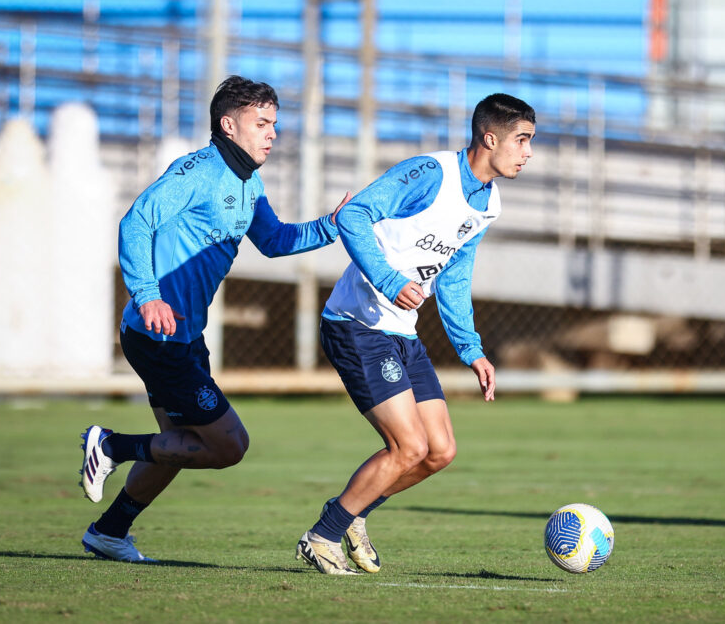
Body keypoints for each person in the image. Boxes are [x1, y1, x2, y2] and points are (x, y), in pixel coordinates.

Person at [78, 75, 351, 563]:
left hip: (183, 336)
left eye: (275, 123)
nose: (272, 133)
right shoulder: (198, 171)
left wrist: (333, 225)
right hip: (157, 334)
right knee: (229, 445)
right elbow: (136, 221)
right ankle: (112, 446)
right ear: (228, 125)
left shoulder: (249, 180)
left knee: (180, 444)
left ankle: (110, 531)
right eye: (261, 122)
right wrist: (147, 295)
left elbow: (274, 241)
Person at [294, 93, 535, 575]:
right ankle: (322, 535)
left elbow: (455, 273)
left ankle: (354, 513)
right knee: (409, 448)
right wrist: (388, 281)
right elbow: (354, 215)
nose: (528, 152)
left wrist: (472, 349)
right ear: (490, 138)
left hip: (402, 333)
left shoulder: (489, 202)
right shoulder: (430, 174)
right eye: (522, 140)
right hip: (357, 324)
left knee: (439, 452)